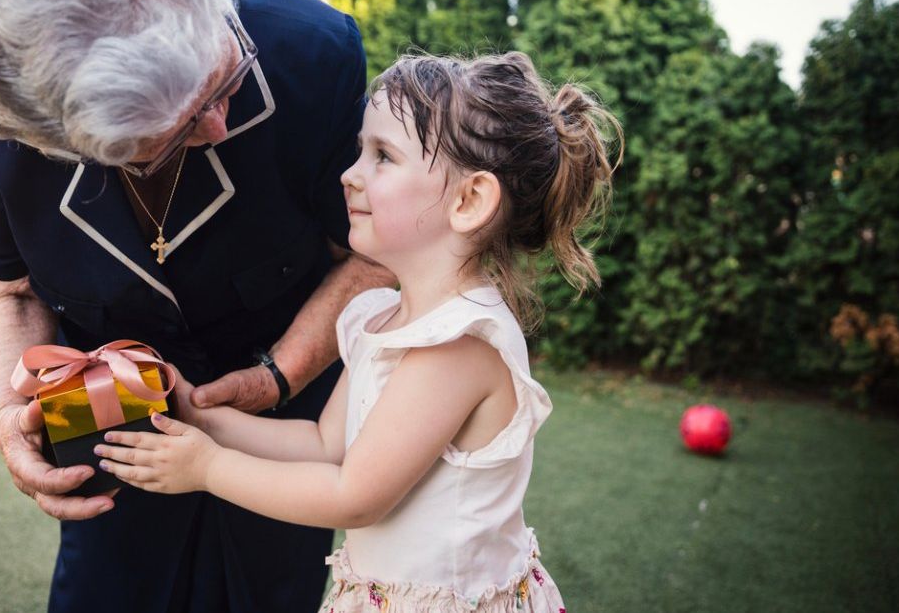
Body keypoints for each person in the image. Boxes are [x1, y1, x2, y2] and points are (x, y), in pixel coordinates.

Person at [0, 0, 393, 611]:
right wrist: (8, 415)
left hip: (286, 413)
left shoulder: (312, 50)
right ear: (59, 139)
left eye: (226, 80)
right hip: (102, 408)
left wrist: (275, 376)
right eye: (172, 134)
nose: (219, 122)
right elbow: (15, 288)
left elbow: (371, 257)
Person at [95, 51, 623, 612]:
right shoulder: (382, 318)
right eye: (359, 152)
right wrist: (204, 418)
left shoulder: (458, 344)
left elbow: (353, 498)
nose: (350, 175)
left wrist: (207, 468)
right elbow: (324, 447)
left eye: (383, 157)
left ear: (469, 201)